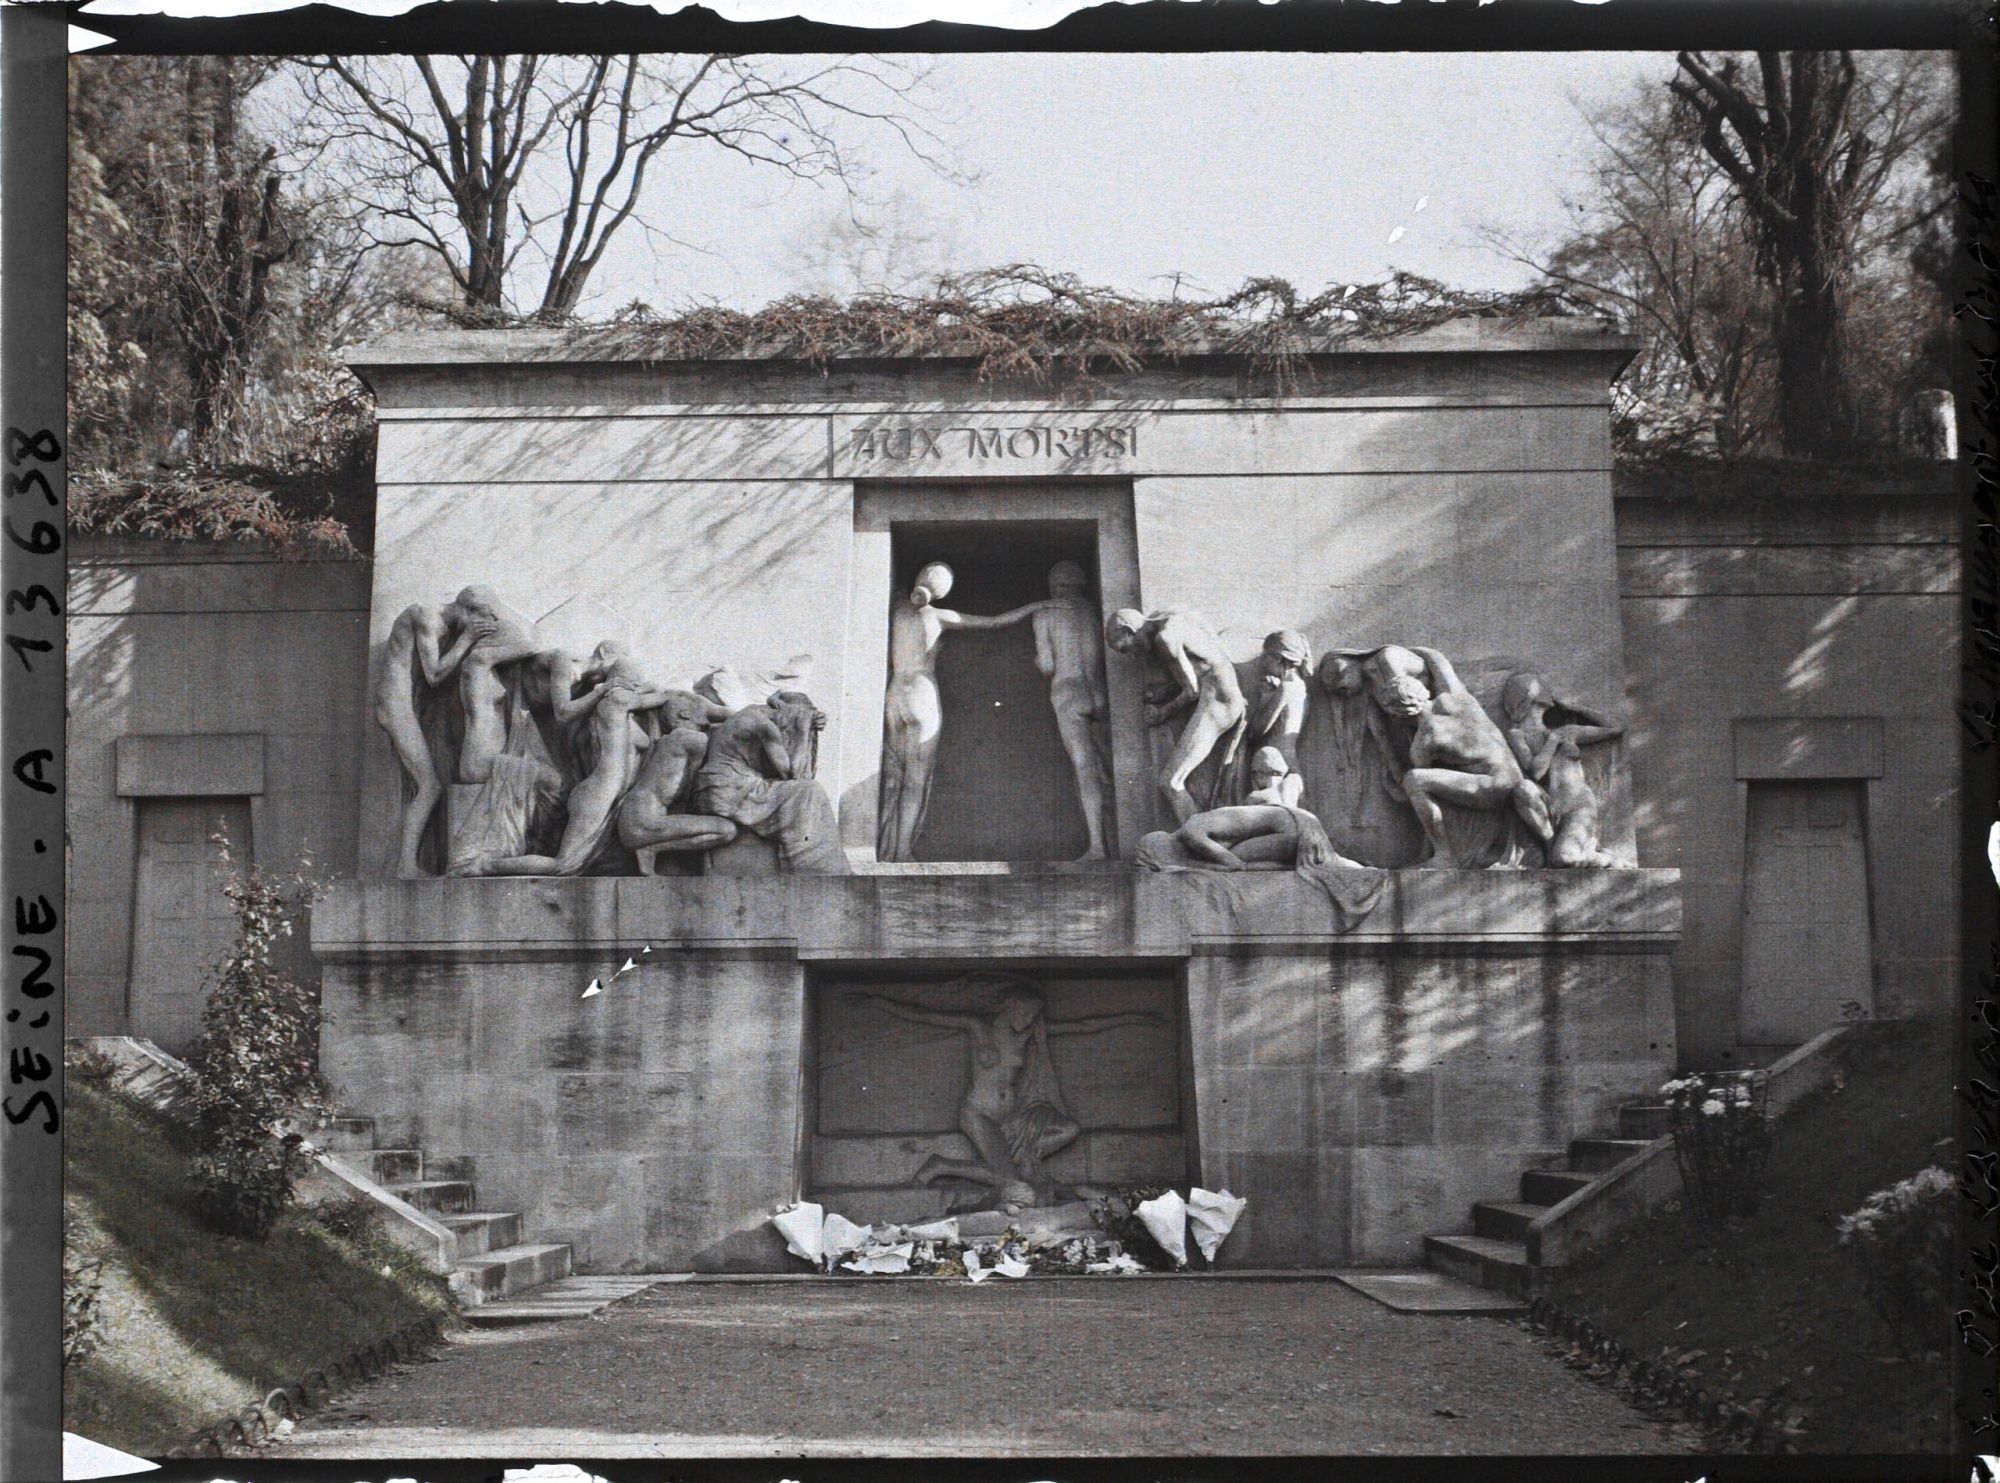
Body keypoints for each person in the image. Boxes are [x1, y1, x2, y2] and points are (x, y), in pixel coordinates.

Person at [854, 974, 1165, 1209]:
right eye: (1025, 1013)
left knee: (1065, 1132)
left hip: (1015, 1117)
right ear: (1010, 1006)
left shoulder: (1029, 1035)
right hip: (980, 1114)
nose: (1029, 1020)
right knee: (1009, 1179)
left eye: (1033, 1015)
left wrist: (1130, 1018)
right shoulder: (979, 1027)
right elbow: (926, 1016)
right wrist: (879, 1001)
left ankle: (969, 1166)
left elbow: (1081, 1026)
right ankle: (941, 1166)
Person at [878, 562, 1050, 861]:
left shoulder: (897, 610)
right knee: (916, 778)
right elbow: (994, 622)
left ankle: (886, 847)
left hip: (894, 695)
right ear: (943, 591)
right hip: (921, 692)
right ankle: (902, 850)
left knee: (894, 772)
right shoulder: (938, 616)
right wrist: (1037, 605)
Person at [472, 673, 679, 876]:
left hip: (600, 794)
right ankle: (485, 866)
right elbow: (660, 697)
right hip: (598, 795)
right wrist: (652, 688)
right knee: (561, 864)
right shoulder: (615, 701)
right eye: (630, 679)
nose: (633, 684)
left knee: (571, 863)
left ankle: (488, 865)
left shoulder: (624, 716)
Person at [1371, 645, 1554, 868]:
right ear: (1423, 692)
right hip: (1513, 780)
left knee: (1414, 780)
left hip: (1493, 790)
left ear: (1397, 714)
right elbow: (1437, 659)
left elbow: (1413, 791)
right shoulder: (1457, 699)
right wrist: (1403, 656)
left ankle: (1444, 854)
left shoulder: (1426, 739)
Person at [374, 601, 489, 877]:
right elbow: (434, 674)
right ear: (468, 611)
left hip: (405, 706)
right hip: (396, 706)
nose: (478, 629)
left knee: (423, 787)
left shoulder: (440, 627)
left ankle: (403, 863)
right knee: (430, 786)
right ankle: (405, 866)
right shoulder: (426, 614)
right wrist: (467, 638)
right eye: (479, 621)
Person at [1104, 606, 1247, 825]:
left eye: (1126, 649)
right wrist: (1163, 693)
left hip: (1219, 701)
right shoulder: (1172, 616)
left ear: (1128, 630)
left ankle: (1200, 839)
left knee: (1171, 782)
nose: (1133, 655)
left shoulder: (1165, 639)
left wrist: (1161, 713)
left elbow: (1192, 691)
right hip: (1221, 695)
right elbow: (1200, 670)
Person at [696, 690, 849, 874]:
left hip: (728, 790)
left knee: (805, 790)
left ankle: (821, 867)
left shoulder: (752, 715)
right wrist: (802, 730)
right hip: (731, 793)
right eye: (797, 718)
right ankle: (812, 869)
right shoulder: (763, 724)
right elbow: (795, 774)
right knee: (808, 792)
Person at [1031, 560, 1113, 859]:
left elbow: (1047, 664)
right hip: (1098, 692)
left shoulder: (1045, 613)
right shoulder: (1092, 611)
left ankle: (1097, 846)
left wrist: (1036, 661)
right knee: (1107, 766)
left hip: (1068, 692)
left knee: (1084, 767)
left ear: (1054, 585)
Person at [1501, 671, 1625, 868]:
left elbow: (1615, 729)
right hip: (1549, 809)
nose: (1549, 693)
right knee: (1523, 789)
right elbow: (1536, 772)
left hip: (1578, 805)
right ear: (1529, 696)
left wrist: (1576, 708)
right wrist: (1552, 741)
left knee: (1564, 859)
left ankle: (1606, 858)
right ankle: (1572, 850)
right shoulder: (1517, 735)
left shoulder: (1568, 731)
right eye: (1542, 687)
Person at [1167, 747, 1357, 871]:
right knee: (1334, 860)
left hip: (1292, 833)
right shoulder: (1293, 783)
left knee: (1238, 856)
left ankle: (1286, 867)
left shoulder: (1192, 831)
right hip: (1308, 825)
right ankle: (1361, 869)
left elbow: (1233, 863)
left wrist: (1189, 866)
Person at [615, 689, 739, 874]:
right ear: (684, 714)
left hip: (638, 820)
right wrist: (712, 711)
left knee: (724, 831)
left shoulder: (671, 740)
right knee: (726, 830)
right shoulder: (689, 738)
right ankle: (650, 850)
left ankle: (652, 850)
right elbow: (698, 786)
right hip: (642, 822)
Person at [443, 586, 546, 784]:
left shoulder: (486, 669)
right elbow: (530, 647)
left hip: (491, 758)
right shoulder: (479, 661)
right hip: (480, 762)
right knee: (554, 782)